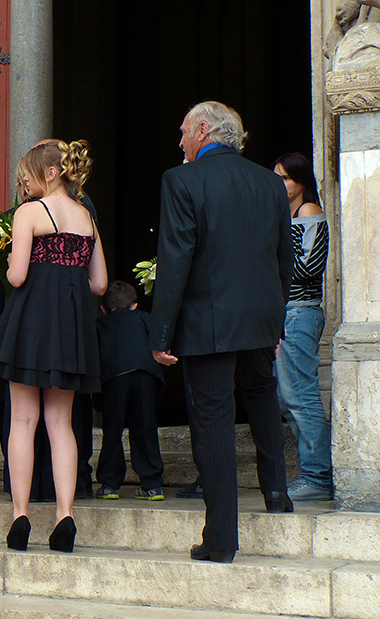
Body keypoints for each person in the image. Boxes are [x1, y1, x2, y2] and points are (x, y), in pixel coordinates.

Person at [150, 101, 294, 565]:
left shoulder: (182, 179)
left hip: (208, 321)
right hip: (260, 318)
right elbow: (283, 260)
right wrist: (276, 319)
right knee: (262, 398)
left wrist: (161, 332)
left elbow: (176, 260)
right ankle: (277, 494)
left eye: (183, 131)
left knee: (212, 420)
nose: (180, 142)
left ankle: (220, 538)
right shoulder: (270, 183)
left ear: (204, 130)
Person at [0, 140, 108, 552]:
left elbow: (17, 276)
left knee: (22, 420)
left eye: (29, 172)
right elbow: (100, 284)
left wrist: (8, 260)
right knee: (62, 424)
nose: (24, 180)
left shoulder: (30, 212)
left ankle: (21, 516)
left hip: (30, 324)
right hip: (71, 327)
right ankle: (65, 516)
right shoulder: (87, 218)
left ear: (51, 173)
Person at [272, 152, 333, 501]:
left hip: (299, 311)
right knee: (287, 395)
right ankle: (314, 473)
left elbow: (307, 267)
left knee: (300, 395)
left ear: (301, 181)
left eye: (285, 178)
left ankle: (317, 477)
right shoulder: (287, 214)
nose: (279, 184)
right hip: (288, 313)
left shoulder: (306, 211)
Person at [95, 280, 165, 501]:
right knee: (145, 426)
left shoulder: (100, 325)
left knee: (113, 429)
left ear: (103, 309)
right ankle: (152, 484)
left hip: (113, 378)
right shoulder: (144, 317)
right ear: (134, 305)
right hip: (145, 374)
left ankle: (109, 485)